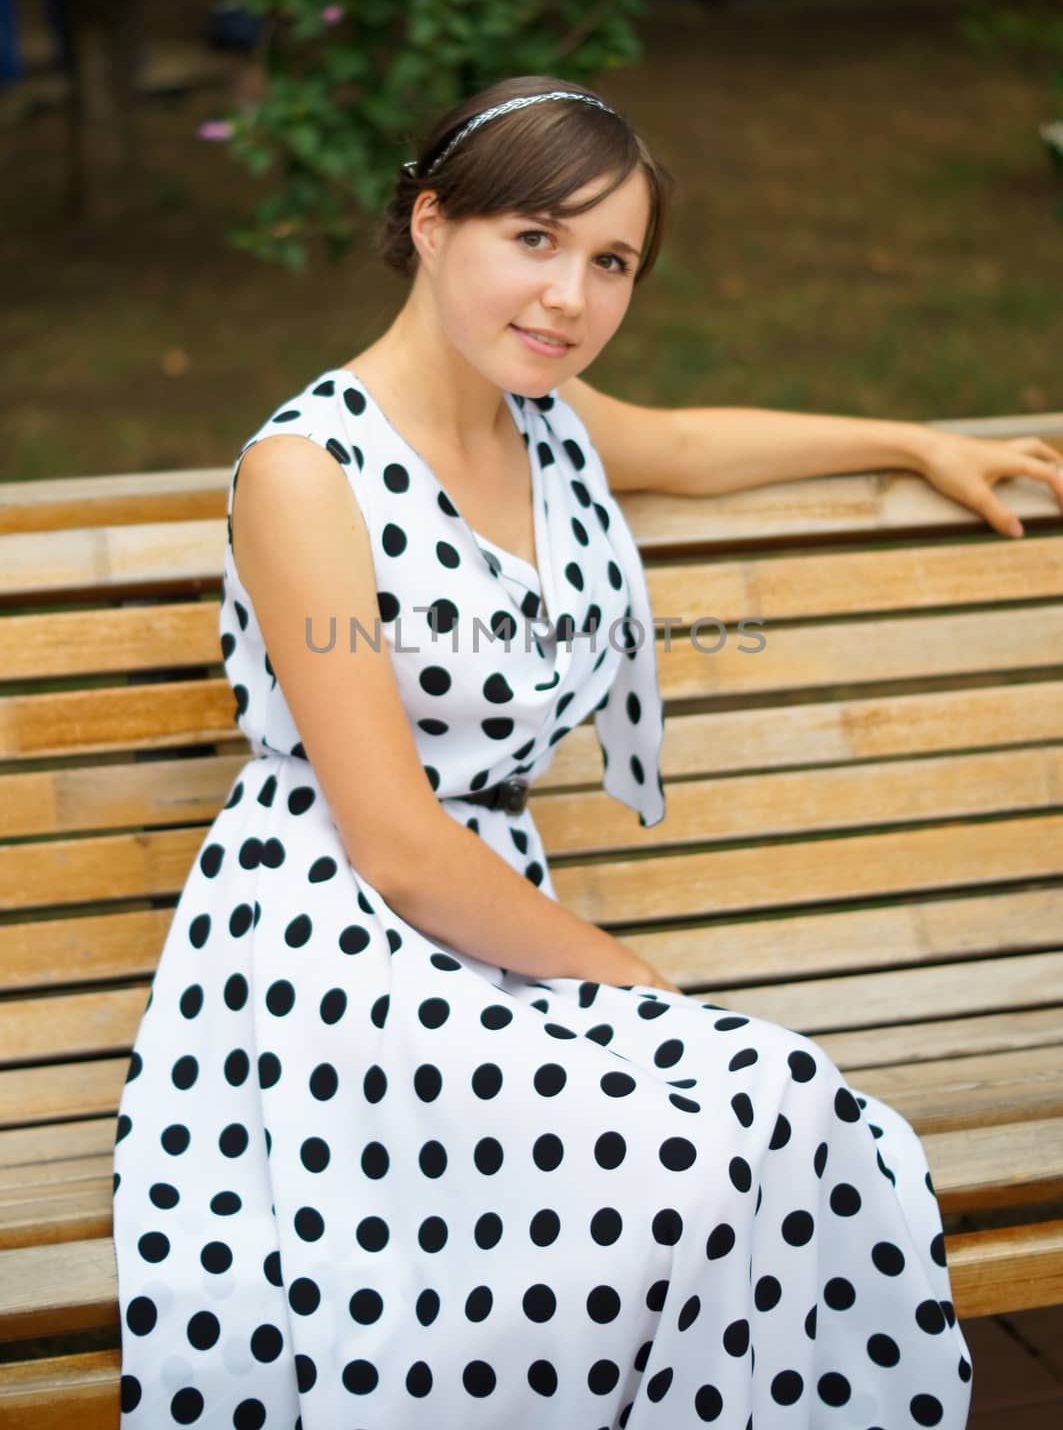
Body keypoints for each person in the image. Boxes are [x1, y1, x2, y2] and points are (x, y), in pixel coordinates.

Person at [114, 70, 1063, 1428]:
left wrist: (914, 441)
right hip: (330, 948)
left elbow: (684, 443)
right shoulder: (305, 473)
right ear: (434, 223)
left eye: (612, 261)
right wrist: (634, 985)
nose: (572, 297)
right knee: (734, 1120)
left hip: (493, 921)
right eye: (536, 238)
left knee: (780, 1129)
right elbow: (392, 844)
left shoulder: (539, 421)